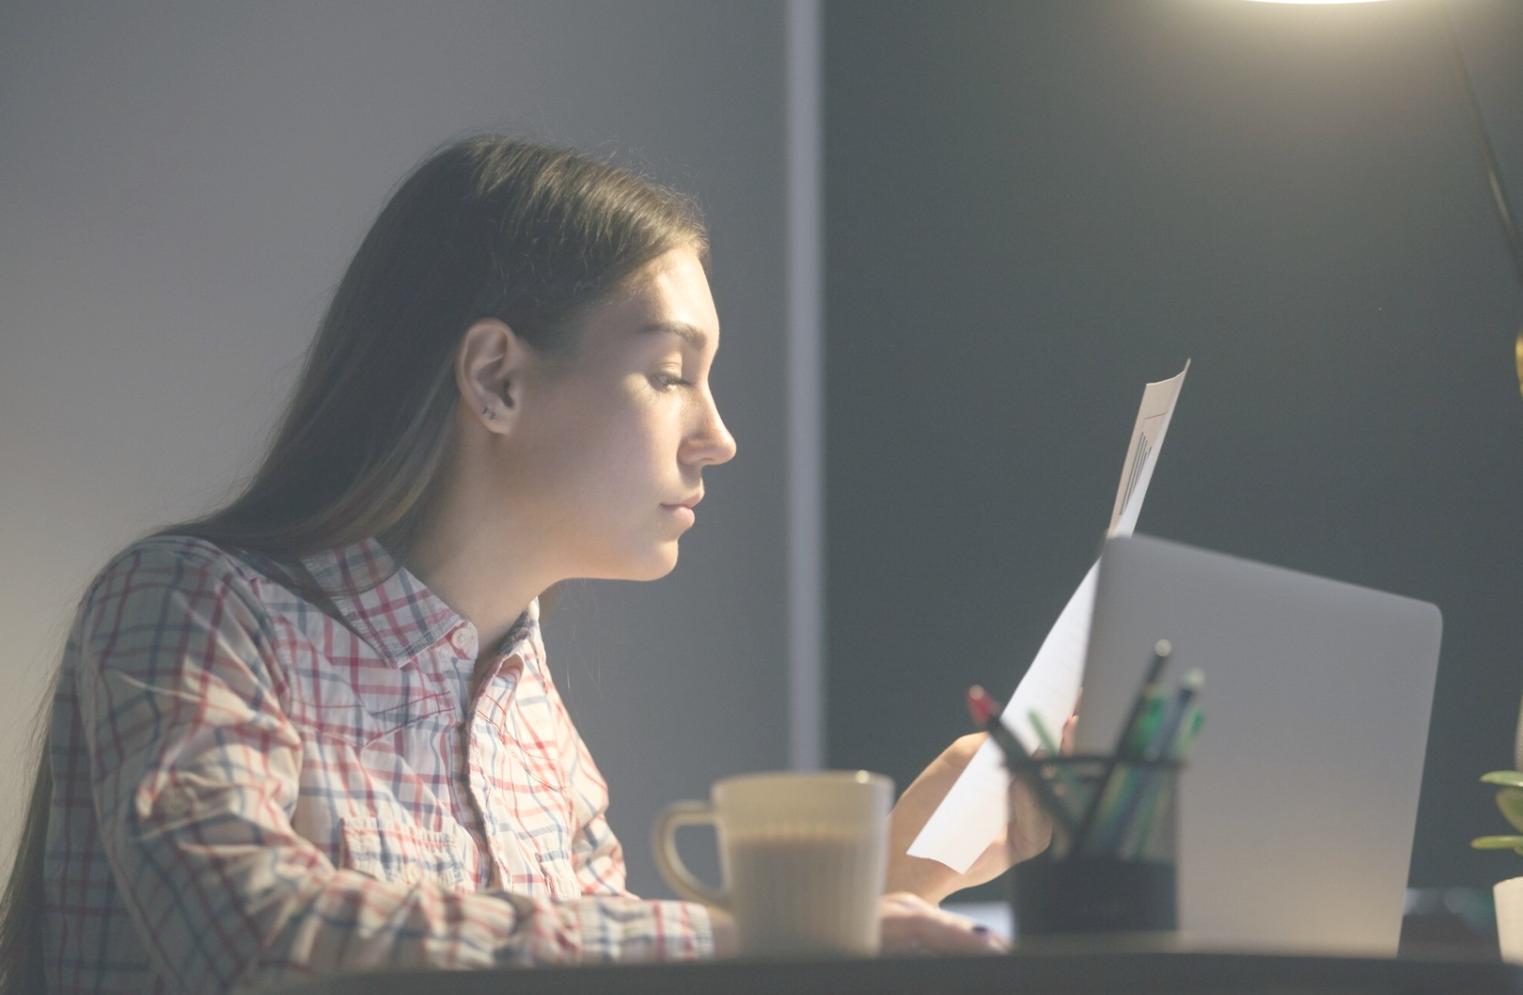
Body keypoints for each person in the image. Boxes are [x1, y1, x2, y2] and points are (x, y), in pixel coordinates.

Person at [0, 135, 1063, 993]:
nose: (718, 436)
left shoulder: (531, 722)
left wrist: (907, 868)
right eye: (670, 372)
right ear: (496, 378)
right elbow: (257, 939)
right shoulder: (192, 605)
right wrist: (766, 937)